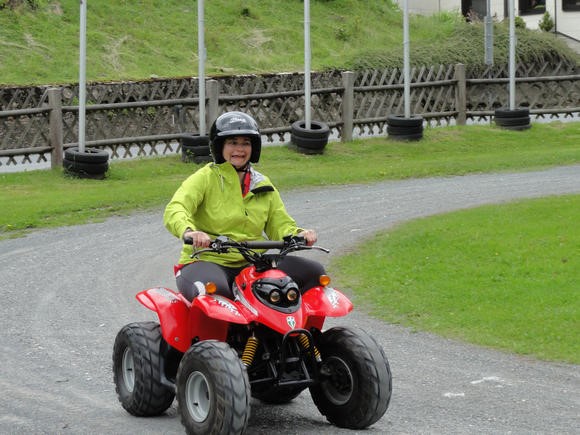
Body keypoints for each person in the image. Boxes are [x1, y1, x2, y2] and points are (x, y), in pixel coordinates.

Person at [163, 111, 325, 301]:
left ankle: (303, 331)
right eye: (232, 142)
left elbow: (280, 224)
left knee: (315, 274)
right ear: (219, 146)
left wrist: (299, 234)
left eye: (245, 143)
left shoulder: (263, 184)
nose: (239, 149)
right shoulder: (205, 178)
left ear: (253, 148)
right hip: (206, 260)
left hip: (253, 264)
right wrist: (189, 232)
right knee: (213, 293)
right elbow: (176, 208)